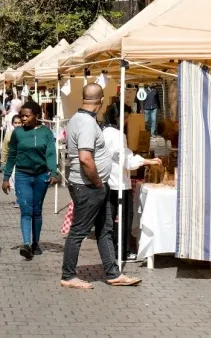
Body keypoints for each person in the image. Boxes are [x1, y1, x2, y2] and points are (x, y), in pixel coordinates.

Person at [60, 83, 141, 289]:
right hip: (88, 185)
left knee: (105, 229)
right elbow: (86, 158)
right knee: (79, 230)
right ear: (102, 101)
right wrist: (97, 182)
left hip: (94, 185)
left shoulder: (78, 119)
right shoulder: (87, 123)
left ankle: (113, 273)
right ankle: (68, 275)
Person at [102, 104, 161, 261]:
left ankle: (115, 249)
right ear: (117, 117)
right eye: (125, 117)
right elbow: (126, 160)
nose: (127, 121)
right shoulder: (116, 135)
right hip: (119, 182)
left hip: (109, 180)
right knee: (124, 217)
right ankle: (122, 250)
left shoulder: (104, 132)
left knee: (112, 217)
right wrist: (148, 161)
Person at [1, 102, 58, 259]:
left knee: (37, 210)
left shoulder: (46, 133)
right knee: (26, 210)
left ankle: (36, 242)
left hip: (41, 176)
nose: (23, 118)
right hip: (22, 175)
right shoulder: (17, 133)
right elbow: (11, 155)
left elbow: (51, 153)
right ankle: (26, 243)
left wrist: (53, 171)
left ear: (37, 116)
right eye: (22, 116)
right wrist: (6, 177)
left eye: (27, 116)